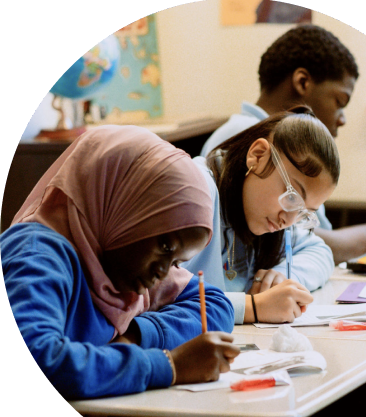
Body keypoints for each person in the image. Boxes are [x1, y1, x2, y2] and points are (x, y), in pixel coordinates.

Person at [0, 125, 239, 400]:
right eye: (164, 246)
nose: (163, 272)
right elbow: (39, 362)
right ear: (124, 207)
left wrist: (137, 335)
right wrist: (170, 365)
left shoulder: (120, 258)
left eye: (176, 262)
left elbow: (216, 306)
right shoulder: (36, 255)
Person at [201, 24, 366, 265]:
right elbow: (314, 242)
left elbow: (312, 245)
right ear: (303, 82)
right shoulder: (243, 136)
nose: (342, 118)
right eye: (339, 101)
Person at [182, 106, 339, 325]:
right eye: (292, 197)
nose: (288, 221)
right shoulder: (195, 192)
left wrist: (281, 276)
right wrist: (253, 307)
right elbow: (158, 298)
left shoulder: (264, 212)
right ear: (258, 156)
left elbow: (320, 252)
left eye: (304, 213)